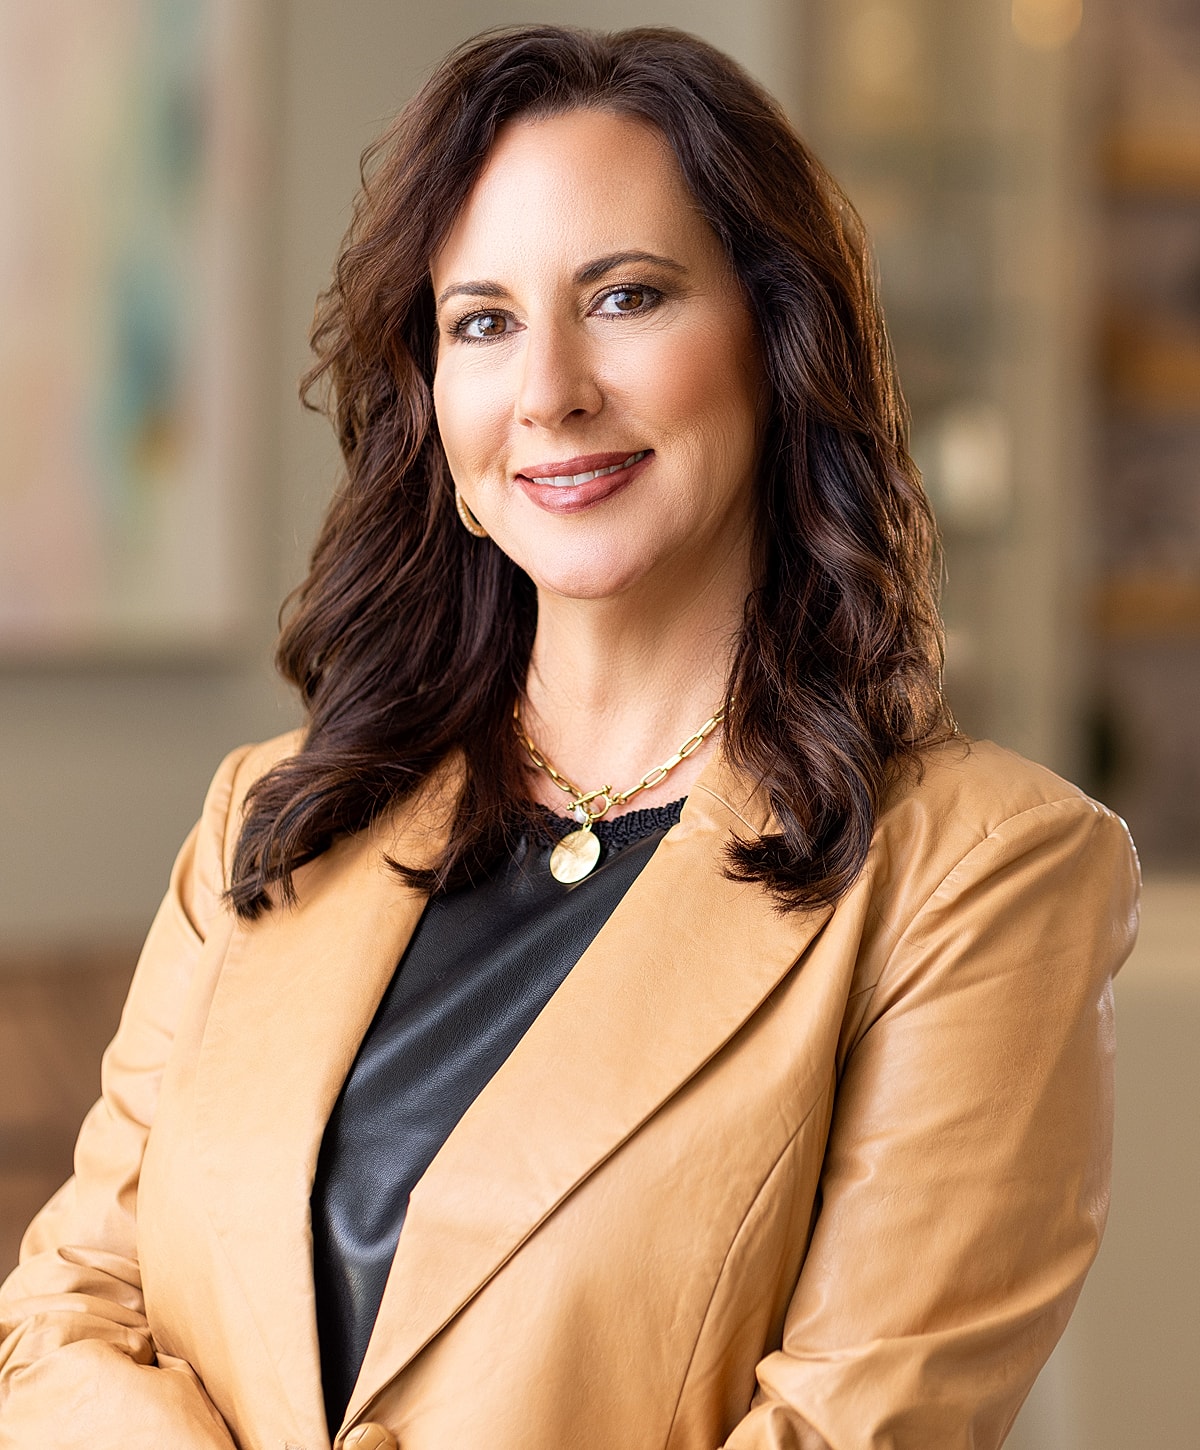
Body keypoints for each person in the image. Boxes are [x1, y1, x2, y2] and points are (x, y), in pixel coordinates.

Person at [0, 24, 1138, 1450]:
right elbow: (60, 1316)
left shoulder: (985, 876)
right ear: (437, 402)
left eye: (628, 297)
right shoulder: (267, 818)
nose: (549, 390)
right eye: (481, 320)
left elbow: (853, 1429)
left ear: (779, 346)